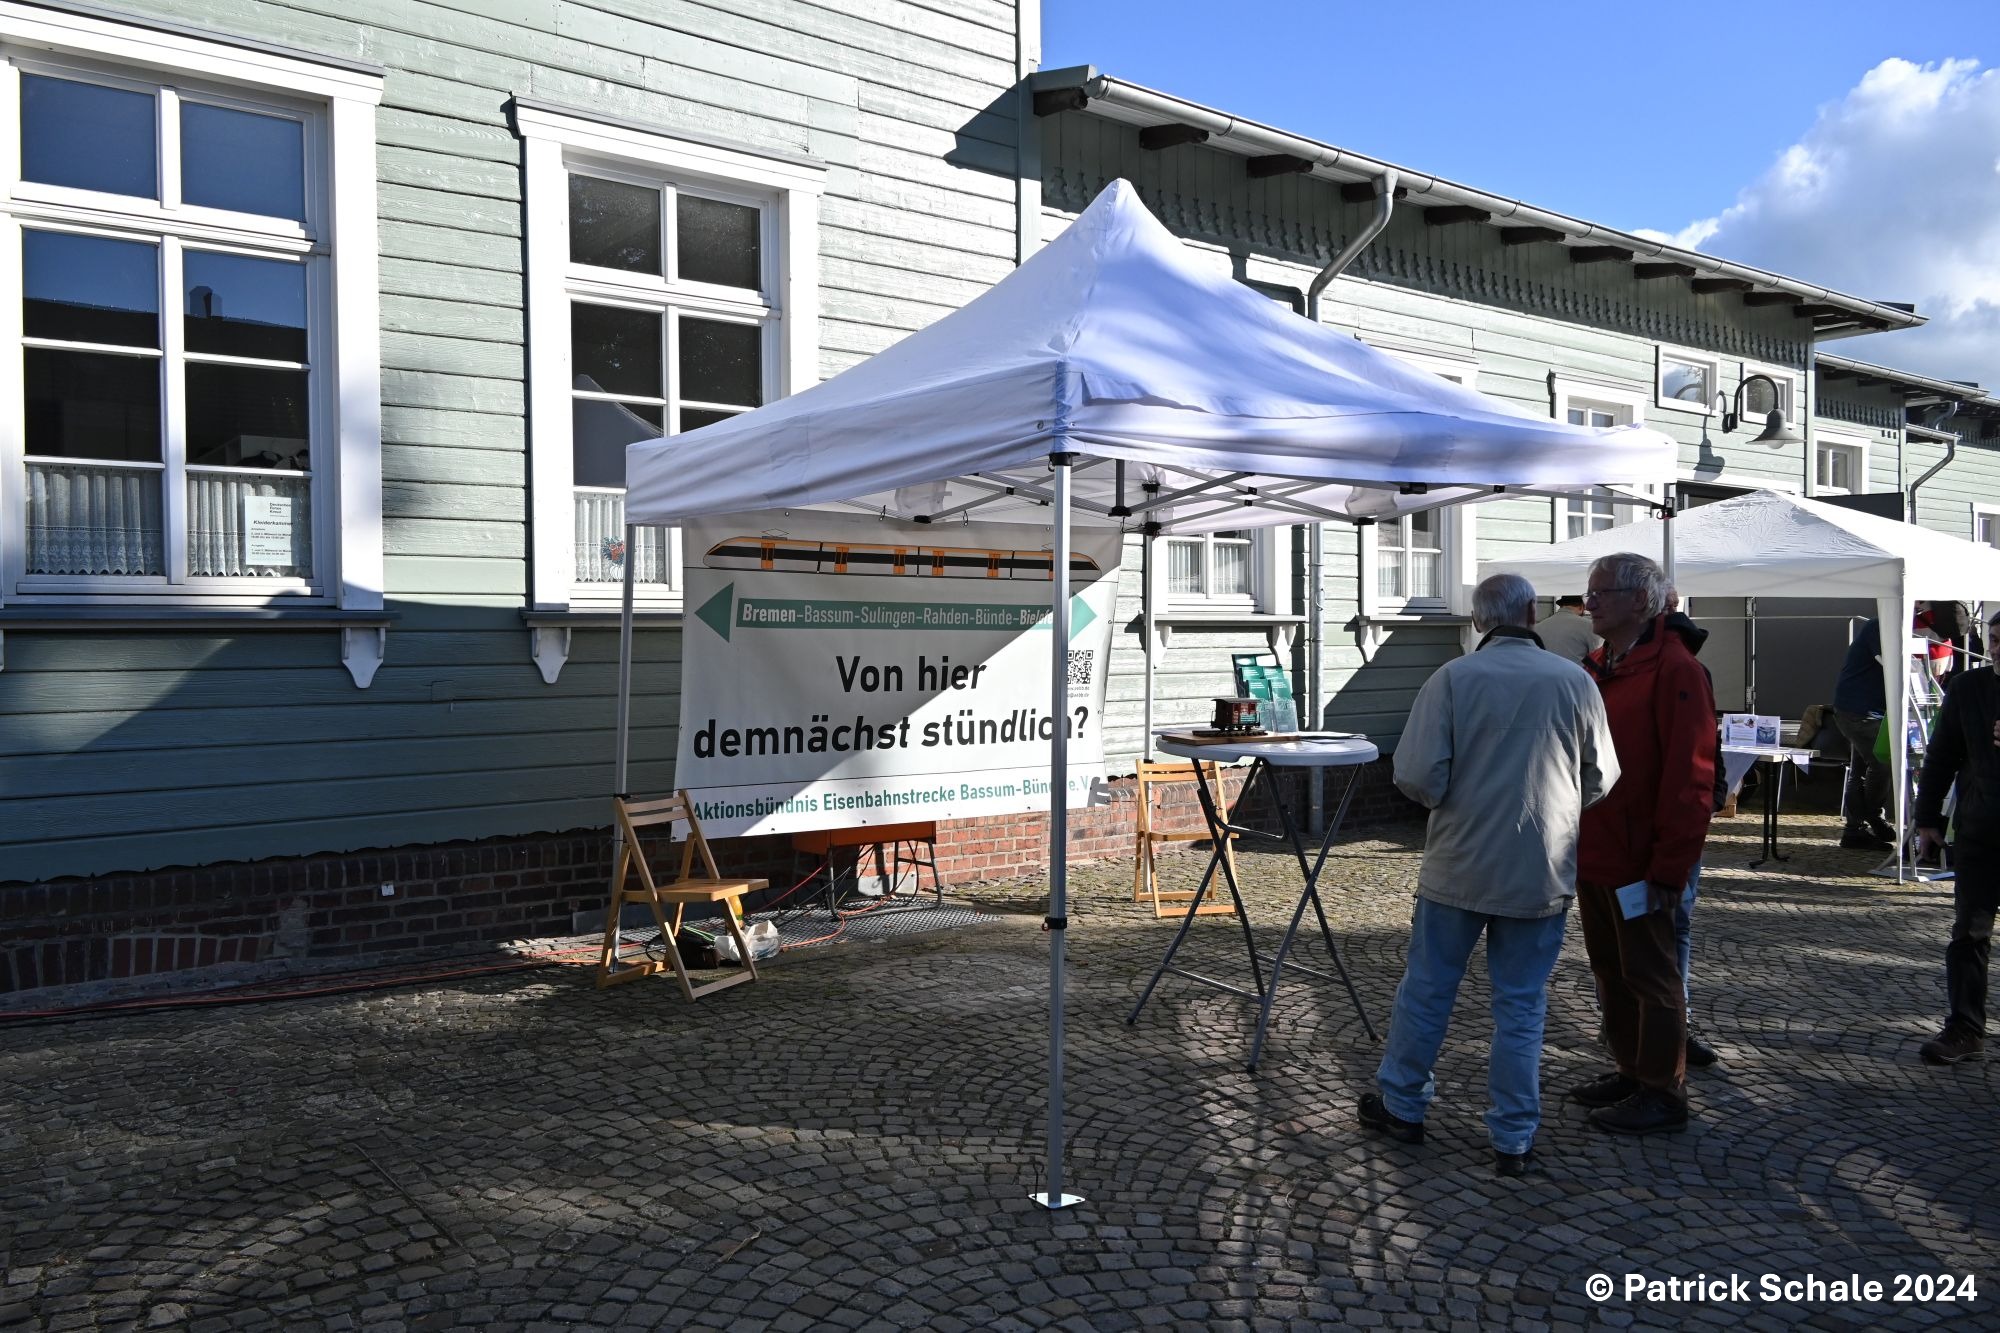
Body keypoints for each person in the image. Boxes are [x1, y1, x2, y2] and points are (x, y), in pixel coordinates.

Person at [1361, 574, 1618, 1175]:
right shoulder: (1574, 680)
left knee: (1427, 990)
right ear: (1531, 613)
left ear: (1479, 622)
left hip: (1460, 863)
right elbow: (1602, 777)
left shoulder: (1452, 679)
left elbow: (1419, 776)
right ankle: (1513, 1137)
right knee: (1522, 1006)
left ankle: (1403, 1106)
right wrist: (1557, 807)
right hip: (1539, 867)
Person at [1569, 552, 1716, 1135]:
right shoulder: (1604, 663)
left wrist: (1668, 867)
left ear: (1640, 600)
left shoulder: (1674, 670)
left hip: (1641, 857)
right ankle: (1631, 1070)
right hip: (1597, 848)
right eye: (1589, 593)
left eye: (1601, 593)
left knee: (1652, 975)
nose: (1590, 603)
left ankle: (1663, 1089)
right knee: (1611, 969)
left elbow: (1692, 775)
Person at [1911, 608, 2000, 1065]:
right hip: (1981, 829)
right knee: (1969, 932)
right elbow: (1942, 755)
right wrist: (1927, 820)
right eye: (1996, 639)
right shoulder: (1969, 688)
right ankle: (1965, 1027)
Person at [1663, 590, 1724, 1070]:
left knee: (1676, 924)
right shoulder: (1604, 662)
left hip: (1678, 821)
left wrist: (1712, 797)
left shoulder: (1683, 667)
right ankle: (1648, 1030)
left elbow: (1704, 745)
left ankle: (1673, 1028)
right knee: (1652, 929)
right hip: (1638, 825)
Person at [1832, 618, 1898, 851]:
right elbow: (1891, 663)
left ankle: (1854, 831)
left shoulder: (1885, 626)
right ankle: (1870, 816)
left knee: (1861, 769)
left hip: (1863, 710)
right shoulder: (1880, 626)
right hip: (1859, 711)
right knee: (1882, 763)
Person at [1536, 594, 1601, 665]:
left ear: (1561, 606)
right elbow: (1598, 657)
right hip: (1576, 675)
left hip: (1544, 674)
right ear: (1581, 607)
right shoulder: (1589, 626)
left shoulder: (1538, 626)